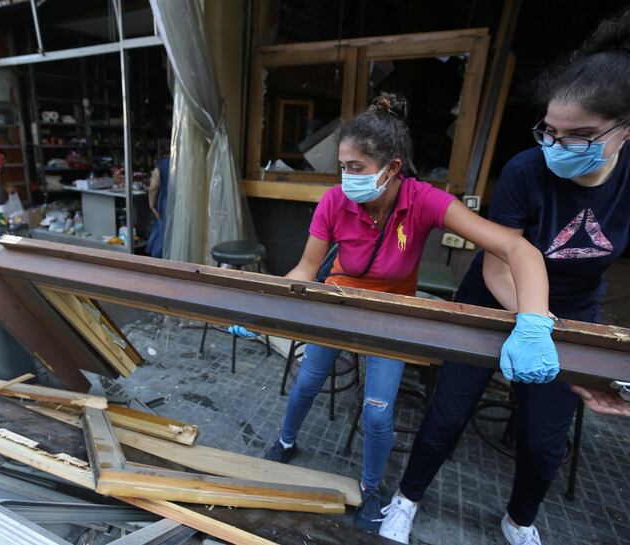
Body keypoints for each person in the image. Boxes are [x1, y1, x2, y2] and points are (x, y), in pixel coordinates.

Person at [378, 9, 630, 545]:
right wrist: (529, 322)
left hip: (570, 315)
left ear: (625, 131)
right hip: (495, 302)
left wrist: (583, 352)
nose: (558, 147)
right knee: (447, 413)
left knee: (544, 440)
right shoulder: (524, 170)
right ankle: (407, 498)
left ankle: (520, 520)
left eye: (579, 135)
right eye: (550, 131)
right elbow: (499, 260)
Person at [263, 92, 556, 534]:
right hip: (338, 301)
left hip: (394, 312)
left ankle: (371, 489)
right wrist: (265, 303)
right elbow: (306, 269)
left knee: (379, 412)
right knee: (307, 380)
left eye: (356, 168)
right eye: (342, 167)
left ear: (393, 168)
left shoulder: (423, 201)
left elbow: (514, 246)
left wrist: (534, 318)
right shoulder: (333, 202)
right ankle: (284, 442)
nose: (346, 179)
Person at [146, 156, 170, 258]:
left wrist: (152, 206)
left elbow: (153, 188)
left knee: (162, 234)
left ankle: (157, 262)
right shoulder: (189, 162)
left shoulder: (163, 165)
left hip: (166, 204)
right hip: (183, 205)